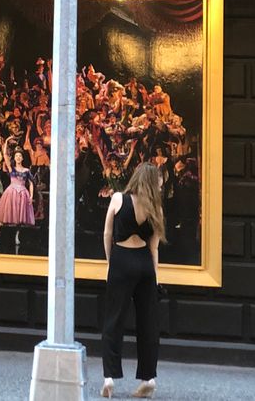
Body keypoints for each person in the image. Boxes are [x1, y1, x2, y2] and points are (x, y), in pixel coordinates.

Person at [100, 161, 164, 399]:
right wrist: (154, 279)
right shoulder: (156, 209)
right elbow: (154, 248)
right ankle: (148, 378)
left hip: (121, 260)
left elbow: (107, 233)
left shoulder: (118, 199)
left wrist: (111, 262)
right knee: (148, 323)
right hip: (145, 265)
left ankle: (109, 377)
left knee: (114, 320)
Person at [0, 149, 35, 246]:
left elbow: (31, 183)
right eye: (16, 156)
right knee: (4, 217)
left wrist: (31, 195)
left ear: (22, 158)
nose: (18, 157)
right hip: (11, 192)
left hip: (22, 193)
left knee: (19, 217)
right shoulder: (12, 168)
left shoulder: (26, 170)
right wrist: (6, 144)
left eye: (20, 156)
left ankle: (17, 236)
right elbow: (5, 155)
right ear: (14, 158)